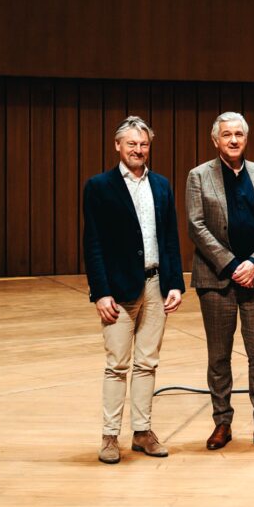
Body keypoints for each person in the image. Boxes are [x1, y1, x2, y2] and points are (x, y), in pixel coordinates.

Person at [82, 116, 184, 464]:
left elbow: (170, 237)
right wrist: (101, 292)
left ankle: (142, 432)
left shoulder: (161, 185)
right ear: (117, 146)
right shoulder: (98, 186)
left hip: (156, 283)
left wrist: (175, 283)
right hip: (118, 289)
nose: (138, 150)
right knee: (117, 365)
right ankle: (110, 437)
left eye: (143, 145)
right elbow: (92, 244)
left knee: (147, 363)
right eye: (131, 144)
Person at [186, 112, 254, 451]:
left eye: (239, 135)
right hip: (217, 280)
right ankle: (222, 423)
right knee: (219, 357)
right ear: (215, 140)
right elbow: (196, 226)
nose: (233, 140)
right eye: (226, 135)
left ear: (246, 139)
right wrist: (232, 265)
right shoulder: (199, 176)